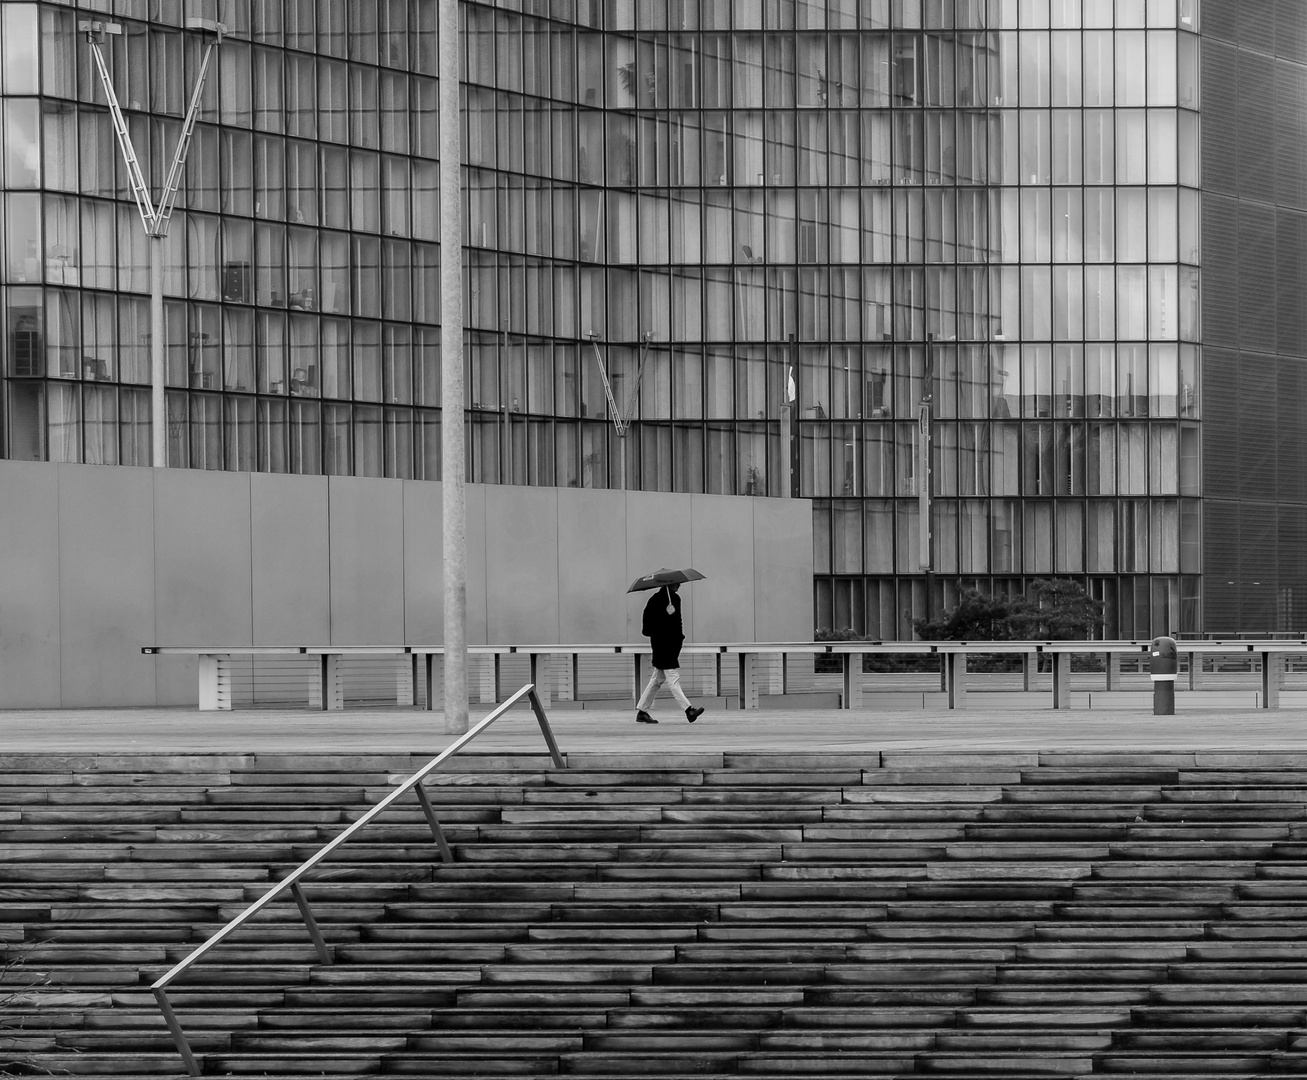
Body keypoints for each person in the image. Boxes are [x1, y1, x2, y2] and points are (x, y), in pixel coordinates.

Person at [636, 582, 705, 724]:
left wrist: (679, 638)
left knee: (657, 680)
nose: (679, 585)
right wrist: (662, 628)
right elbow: (647, 627)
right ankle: (688, 710)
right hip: (662, 645)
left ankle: (642, 711)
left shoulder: (675, 599)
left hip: (671, 644)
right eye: (676, 583)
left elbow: (678, 622)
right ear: (668, 585)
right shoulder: (655, 600)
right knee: (672, 677)